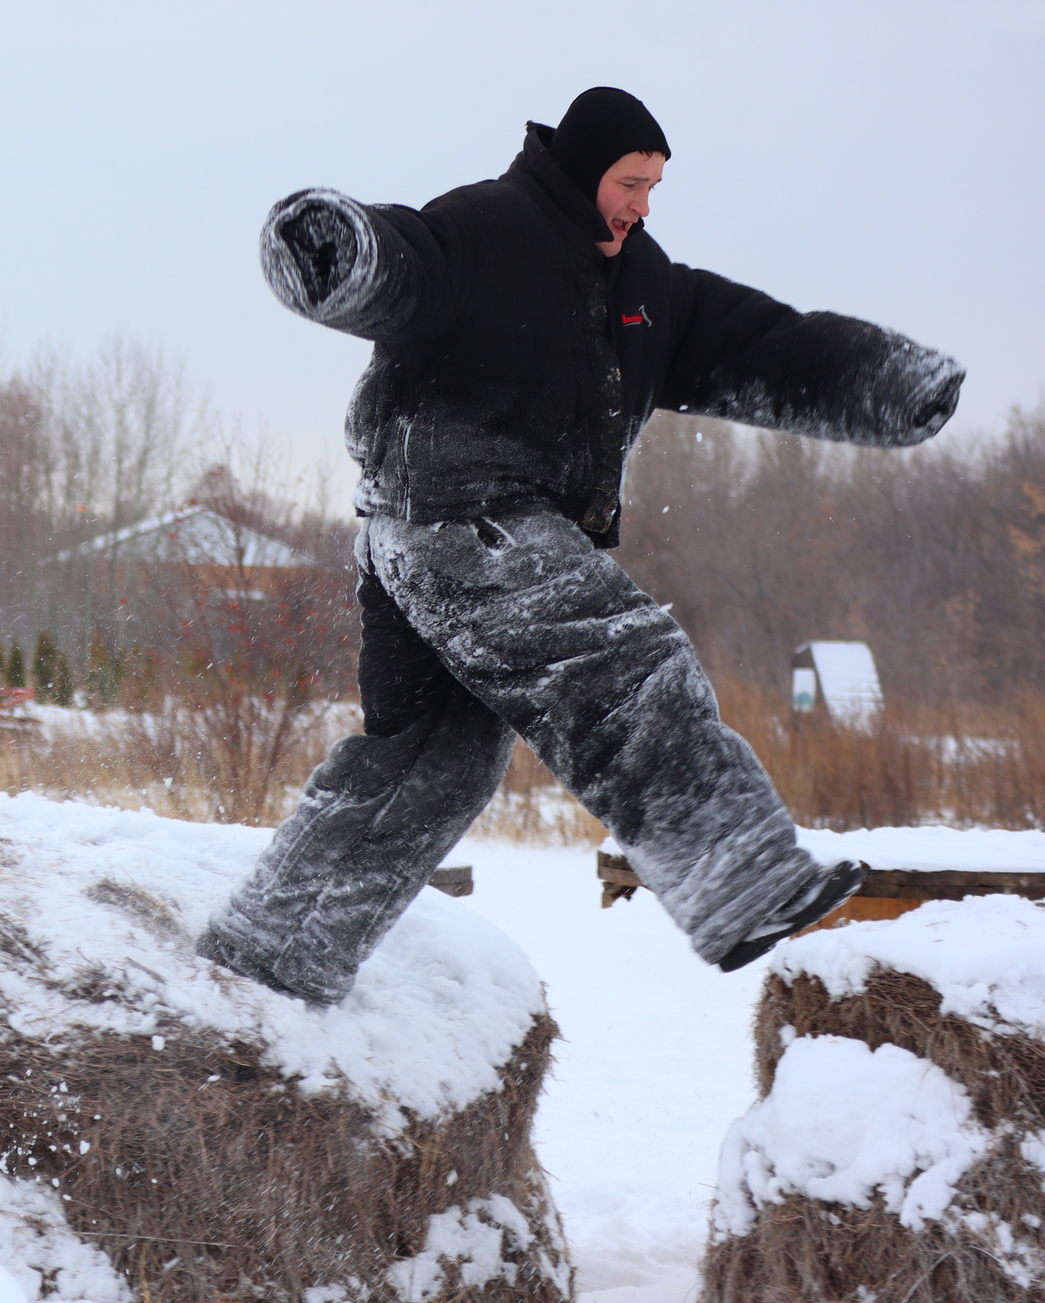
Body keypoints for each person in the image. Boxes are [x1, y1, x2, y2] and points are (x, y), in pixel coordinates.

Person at [196, 88, 962, 1004]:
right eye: (630, 183)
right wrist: (337, 249)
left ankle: (271, 957)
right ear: (583, 169)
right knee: (623, 666)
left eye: (655, 188)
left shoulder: (644, 286)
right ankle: (738, 878)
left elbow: (763, 345)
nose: (642, 205)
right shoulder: (489, 227)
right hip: (458, 520)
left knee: (429, 768)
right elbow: (410, 263)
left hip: (462, 544)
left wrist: (887, 385)